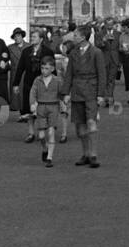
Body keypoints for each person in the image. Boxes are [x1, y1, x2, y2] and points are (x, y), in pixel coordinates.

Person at [62, 24, 108, 168]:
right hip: (76, 91)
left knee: (91, 123)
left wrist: (101, 95)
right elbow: (69, 73)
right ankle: (85, 154)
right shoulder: (73, 53)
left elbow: (102, 74)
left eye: (75, 35)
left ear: (83, 37)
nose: (73, 37)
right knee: (80, 126)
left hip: (91, 91)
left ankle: (93, 155)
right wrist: (65, 93)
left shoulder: (96, 52)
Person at [13, 28, 54, 139]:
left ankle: (43, 131)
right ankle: (31, 133)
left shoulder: (48, 52)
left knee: (42, 108)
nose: (32, 38)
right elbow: (20, 68)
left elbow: (52, 69)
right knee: (29, 109)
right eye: (31, 37)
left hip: (43, 84)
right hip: (28, 83)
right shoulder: (26, 51)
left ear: (41, 39)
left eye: (34, 37)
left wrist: (53, 84)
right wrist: (16, 84)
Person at [28, 55, 62, 167]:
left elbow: (62, 92)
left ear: (52, 69)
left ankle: (49, 158)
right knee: (41, 136)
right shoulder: (37, 80)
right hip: (41, 108)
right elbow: (32, 92)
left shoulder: (57, 80)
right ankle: (44, 148)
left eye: (46, 68)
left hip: (53, 108)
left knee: (51, 132)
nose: (44, 70)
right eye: (42, 68)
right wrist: (32, 103)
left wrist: (64, 101)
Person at [7, 28, 28, 117]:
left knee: (26, 93)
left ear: (22, 36)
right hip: (15, 73)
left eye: (18, 36)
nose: (17, 38)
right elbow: (5, 60)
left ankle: (26, 113)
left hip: (26, 73)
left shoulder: (28, 46)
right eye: (15, 36)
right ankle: (21, 113)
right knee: (16, 94)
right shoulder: (10, 48)